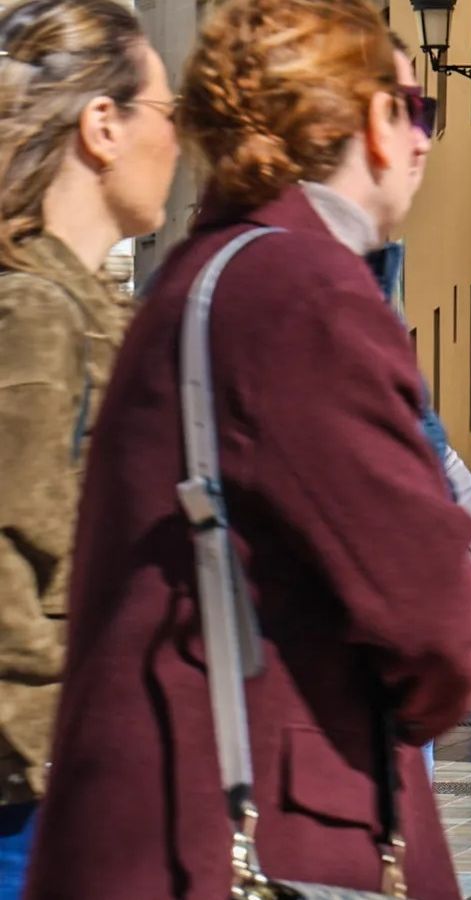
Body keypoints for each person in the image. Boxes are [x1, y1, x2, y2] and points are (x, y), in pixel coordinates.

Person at [24, 1, 471, 896]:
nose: (427, 141)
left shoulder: (203, 274)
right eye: (414, 109)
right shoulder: (305, 290)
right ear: (365, 124)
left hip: (147, 818)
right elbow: (431, 619)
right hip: (256, 834)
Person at [0, 0, 178, 893]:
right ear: (102, 125)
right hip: (39, 806)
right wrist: (73, 748)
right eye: (169, 115)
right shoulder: (34, 310)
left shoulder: (89, 311)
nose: (179, 143)